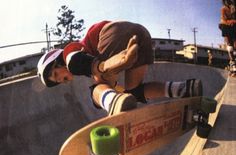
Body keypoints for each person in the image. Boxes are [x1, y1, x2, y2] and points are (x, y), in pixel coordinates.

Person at [37, 21, 202, 115]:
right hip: (141, 35)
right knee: (134, 92)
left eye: (56, 73)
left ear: (57, 61)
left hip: (112, 34)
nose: (60, 79)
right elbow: (121, 89)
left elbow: (73, 60)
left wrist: (101, 67)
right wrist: (123, 96)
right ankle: (184, 89)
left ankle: (111, 99)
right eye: (57, 81)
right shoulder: (84, 64)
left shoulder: (71, 53)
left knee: (95, 90)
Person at [219, 0, 236, 74]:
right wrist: (231, 22)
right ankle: (233, 62)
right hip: (225, 25)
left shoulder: (234, 7)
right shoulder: (223, 9)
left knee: (235, 45)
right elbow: (223, 20)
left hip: (234, 26)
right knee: (230, 45)